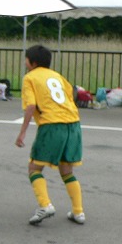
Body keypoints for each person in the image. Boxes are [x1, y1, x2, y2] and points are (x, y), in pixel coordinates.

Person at [15, 45, 85, 225]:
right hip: (73, 124)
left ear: (33, 62)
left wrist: (22, 132)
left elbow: (30, 105)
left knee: (34, 168)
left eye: (26, 59)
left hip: (52, 125)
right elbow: (71, 94)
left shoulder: (30, 77)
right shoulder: (57, 76)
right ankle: (78, 211)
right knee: (67, 170)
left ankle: (45, 205)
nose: (25, 62)